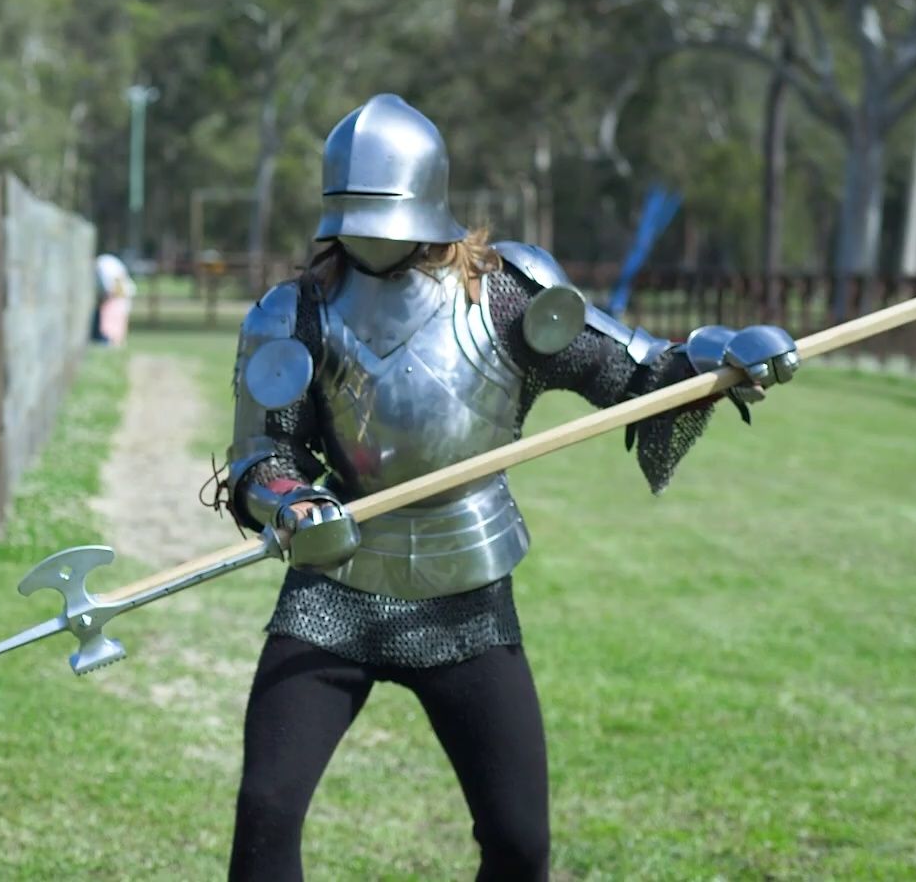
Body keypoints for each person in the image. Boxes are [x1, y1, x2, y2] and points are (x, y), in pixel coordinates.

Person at [220, 94, 800, 881]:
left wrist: (718, 363)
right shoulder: (295, 314)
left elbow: (634, 373)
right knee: (267, 817)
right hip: (336, 586)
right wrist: (291, 503)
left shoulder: (505, 294)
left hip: (467, 593)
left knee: (519, 841)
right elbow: (261, 453)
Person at [93, 253, 137, 346]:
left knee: (111, 320)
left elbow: (111, 286)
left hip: (118, 295)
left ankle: (112, 341)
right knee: (118, 318)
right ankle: (116, 341)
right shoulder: (106, 262)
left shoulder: (103, 265)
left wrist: (105, 298)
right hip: (120, 294)